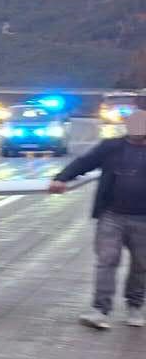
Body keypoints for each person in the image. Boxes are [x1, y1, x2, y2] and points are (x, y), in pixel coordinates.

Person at [49, 110, 146, 329]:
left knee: (141, 265)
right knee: (107, 261)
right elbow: (84, 162)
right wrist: (61, 178)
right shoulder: (111, 147)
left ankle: (135, 305)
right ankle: (100, 310)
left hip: (144, 218)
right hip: (111, 214)